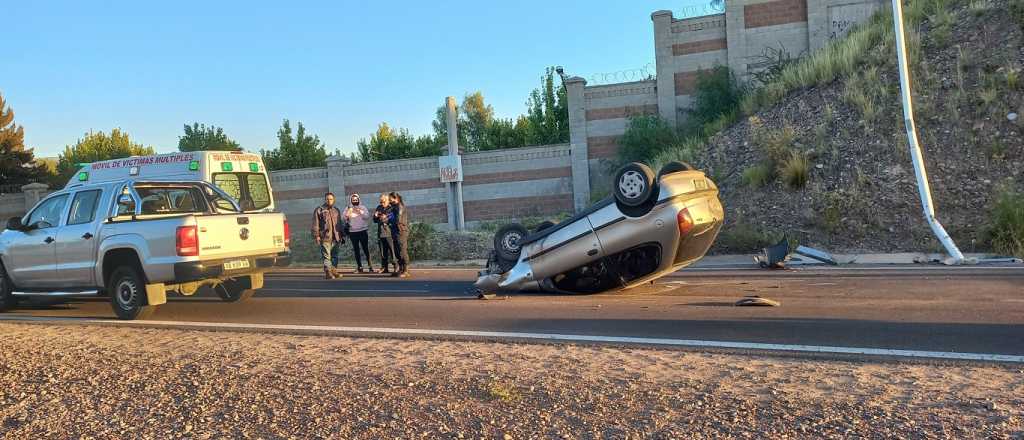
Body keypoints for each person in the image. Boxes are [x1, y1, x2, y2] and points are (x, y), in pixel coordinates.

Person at [311, 192, 344, 279]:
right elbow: (315, 224)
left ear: (334, 200)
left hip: (336, 237)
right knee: (326, 256)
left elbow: (339, 223)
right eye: (327, 199)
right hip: (325, 237)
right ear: (325, 200)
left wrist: (342, 235)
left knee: (335, 256)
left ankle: (334, 271)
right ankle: (328, 273)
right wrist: (317, 236)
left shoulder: (336, 210)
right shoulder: (319, 210)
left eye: (331, 199)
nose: (329, 201)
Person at [343, 193, 373, 273]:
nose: (355, 201)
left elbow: (367, 216)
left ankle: (370, 267)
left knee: (366, 249)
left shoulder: (363, 207)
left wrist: (360, 211)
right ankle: (360, 267)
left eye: (356, 200)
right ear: (351, 200)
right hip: (353, 232)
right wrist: (349, 211)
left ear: (358, 200)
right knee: (356, 250)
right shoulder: (348, 208)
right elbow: (344, 218)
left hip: (363, 231)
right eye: (353, 200)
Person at [386, 192, 411, 278]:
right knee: (396, 251)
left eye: (390, 199)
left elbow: (398, 220)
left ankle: (406, 270)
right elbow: (390, 219)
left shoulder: (400, 207)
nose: (389, 201)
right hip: (394, 231)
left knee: (402, 251)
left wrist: (389, 219)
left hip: (401, 231)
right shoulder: (393, 207)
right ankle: (400, 268)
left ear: (396, 198)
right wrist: (386, 220)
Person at [373, 194, 394, 274]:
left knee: (392, 251)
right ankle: (384, 267)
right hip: (380, 232)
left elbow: (393, 220)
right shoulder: (379, 207)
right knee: (383, 252)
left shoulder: (391, 208)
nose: (382, 203)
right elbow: (374, 220)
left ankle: (396, 266)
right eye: (380, 202)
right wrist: (375, 216)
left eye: (383, 202)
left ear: (388, 200)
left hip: (389, 233)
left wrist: (386, 218)